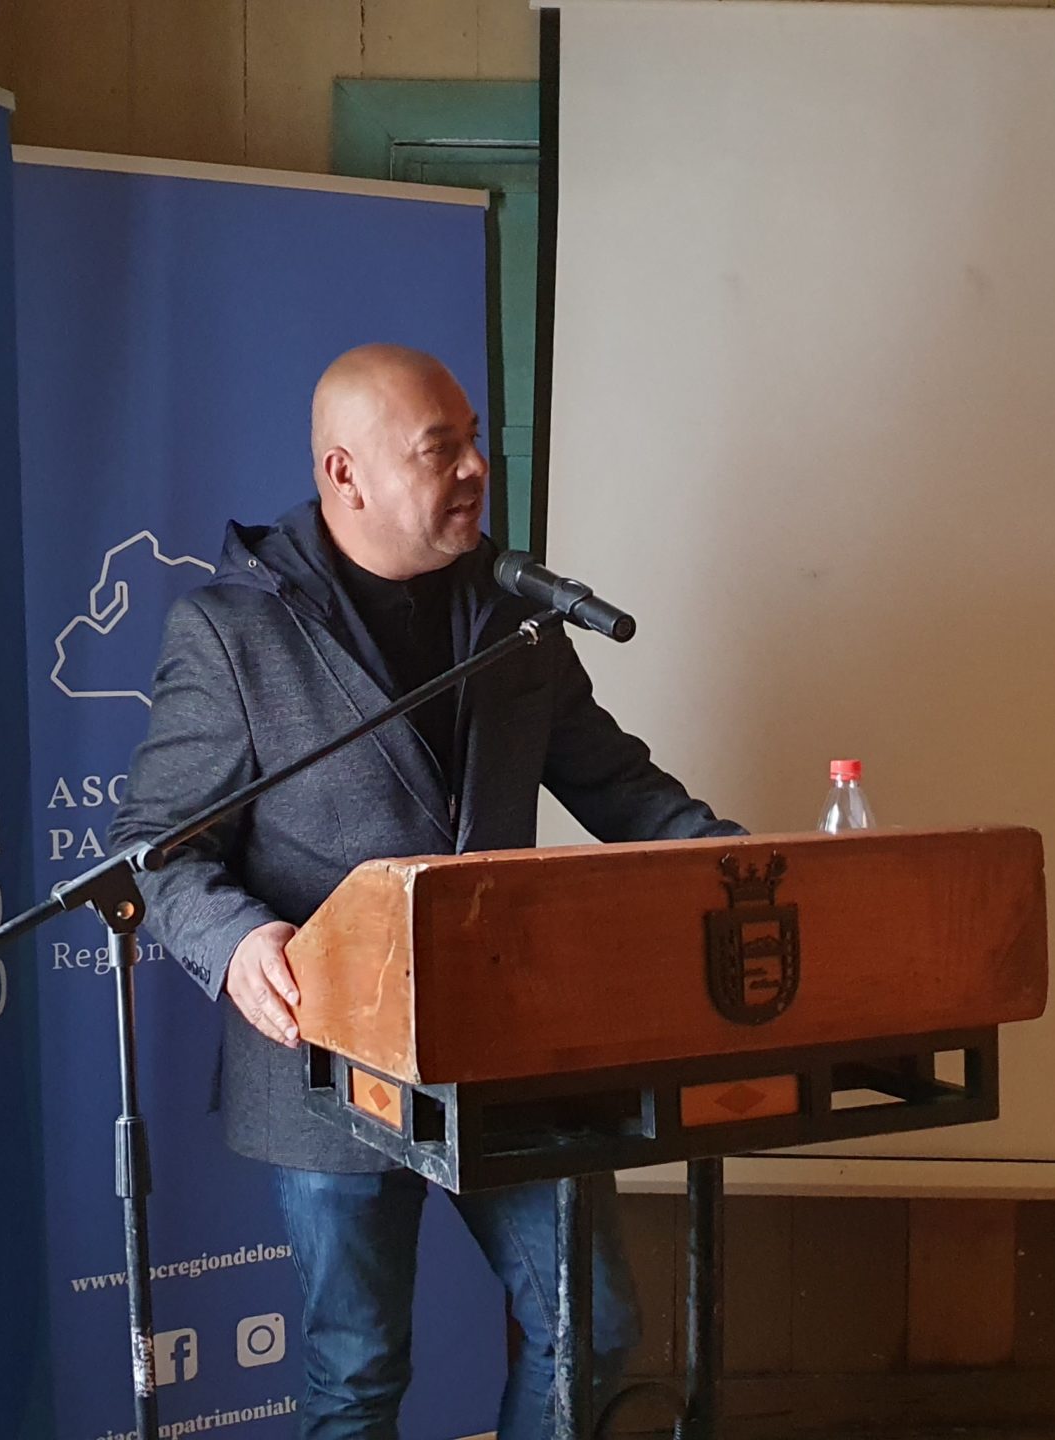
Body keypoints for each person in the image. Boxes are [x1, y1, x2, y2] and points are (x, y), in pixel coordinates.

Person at [106, 343, 742, 1439]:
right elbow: (155, 847)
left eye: (473, 442)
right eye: (438, 449)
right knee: (356, 1373)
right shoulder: (233, 632)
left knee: (590, 1329)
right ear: (344, 473)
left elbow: (621, 789)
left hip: (505, 1042)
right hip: (326, 1066)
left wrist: (740, 869)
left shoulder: (517, 616)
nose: (474, 469)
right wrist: (238, 940)